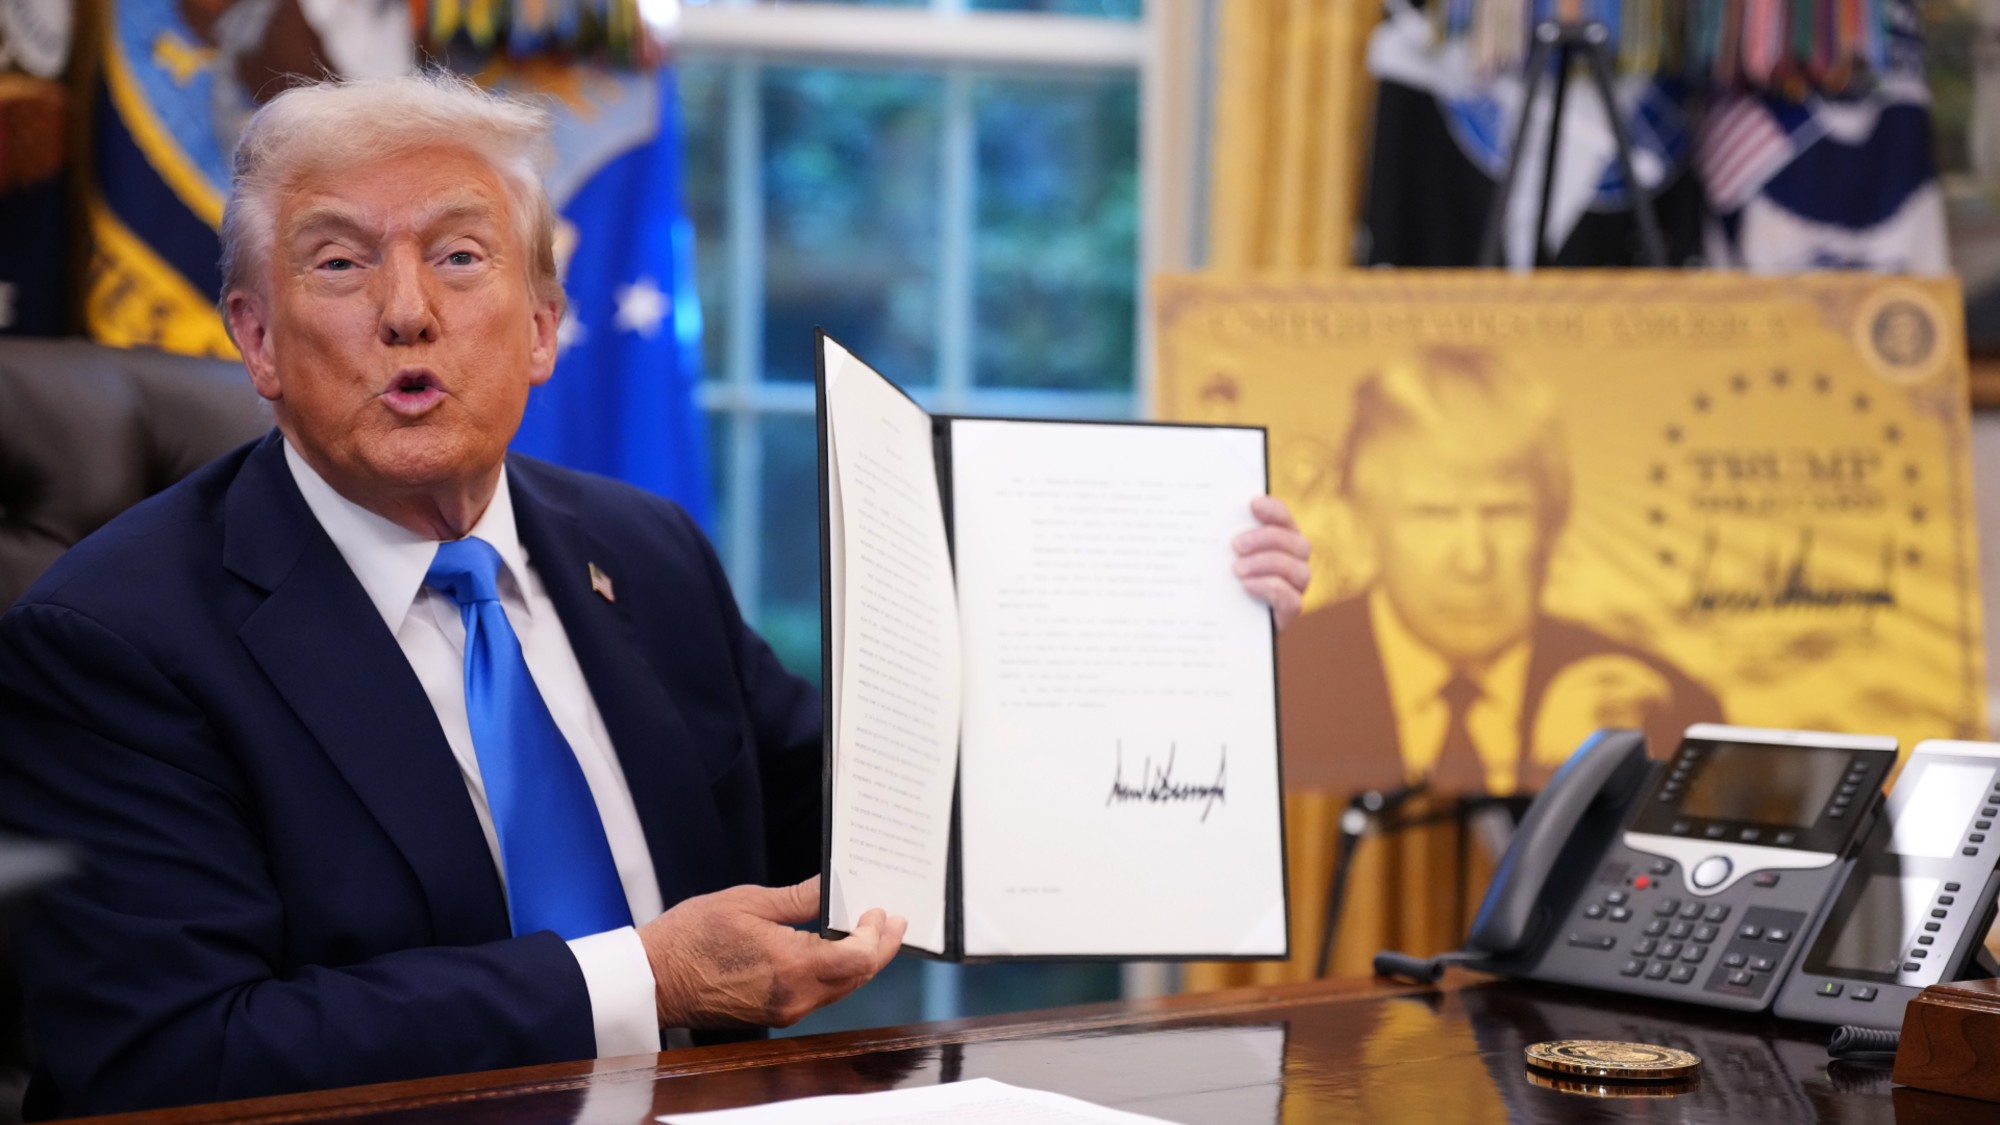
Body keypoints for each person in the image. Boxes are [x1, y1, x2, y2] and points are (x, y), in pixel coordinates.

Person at [0, 73, 1311, 1117]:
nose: (406, 312)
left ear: (543, 325)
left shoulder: (644, 550)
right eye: (339, 265)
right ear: (259, 339)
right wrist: (646, 976)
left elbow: (887, 828)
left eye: (459, 259)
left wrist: (1182, 626)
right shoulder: (111, 637)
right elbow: (173, 1057)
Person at [1281, 346, 1722, 796]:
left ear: (1553, 522)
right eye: (1432, 514)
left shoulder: (1668, 711)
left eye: (1503, 512)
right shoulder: (1278, 686)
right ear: (1362, 523)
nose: (1474, 562)